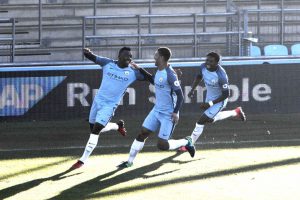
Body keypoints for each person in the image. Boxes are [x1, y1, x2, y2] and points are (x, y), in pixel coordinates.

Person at [118, 47, 195, 168]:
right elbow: (153, 80)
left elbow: (181, 96)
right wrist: (140, 69)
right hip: (157, 110)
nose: (154, 57)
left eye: (156, 55)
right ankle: (129, 162)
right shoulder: (160, 70)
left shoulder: (170, 74)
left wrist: (175, 113)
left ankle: (187, 142)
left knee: (162, 145)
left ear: (162, 58)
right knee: (143, 133)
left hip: (168, 114)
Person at [71, 47, 145, 169]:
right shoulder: (107, 63)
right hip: (97, 101)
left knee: (95, 132)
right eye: (126, 55)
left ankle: (82, 161)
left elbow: (150, 78)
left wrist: (141, 69)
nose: (129, 58)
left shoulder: (133, 73)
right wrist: (87, 53)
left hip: (109, 106)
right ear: (119, 56)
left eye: (130, 56)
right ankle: (117, 126)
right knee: (93, 129)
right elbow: (93, 58)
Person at [178, 52, 246, 152]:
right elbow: (198, 77)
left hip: (219, 101)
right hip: (210, 98)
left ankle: (189, 145)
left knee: (200, 121)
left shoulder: (221, 75)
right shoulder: (203, 67)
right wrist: (192, 90)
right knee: (209, 120)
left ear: (217, 63)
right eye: (207, 60)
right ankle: (235, 112)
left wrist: (209, 104)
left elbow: (226, 94)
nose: (208, 63)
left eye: (211, 61)